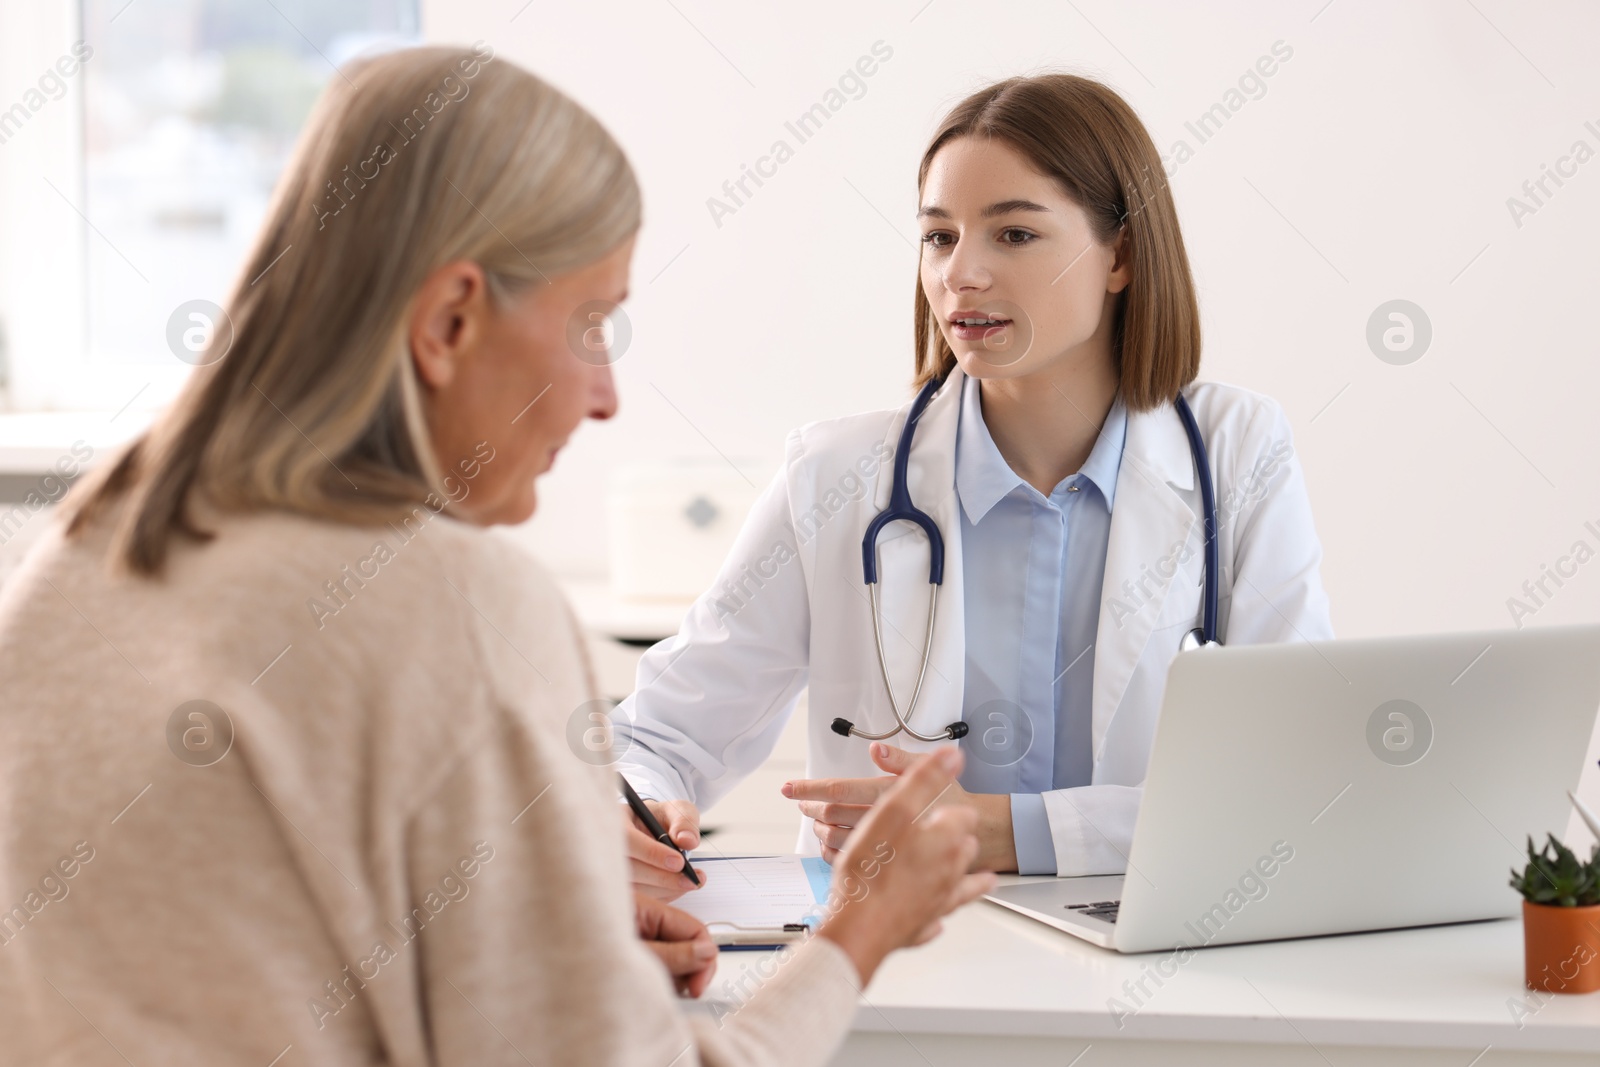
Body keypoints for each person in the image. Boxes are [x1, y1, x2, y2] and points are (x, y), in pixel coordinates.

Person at [0, 45, 993, 1066]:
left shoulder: (80, 548)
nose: (604, 396)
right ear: (450, 320)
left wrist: (543, 943)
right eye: (594, 324)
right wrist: (856, 932)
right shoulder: (456, 601)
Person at [618, 73, 1334, 898]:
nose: (962, 273)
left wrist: (1003, 832)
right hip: (894, 963)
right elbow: (659, 734)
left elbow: (1297, 777)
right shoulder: (835, 474)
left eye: (1015, 234)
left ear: (1122, 256)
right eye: (938, 237)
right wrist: (640, 802)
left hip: (1154, 956)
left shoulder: (1238, 453)